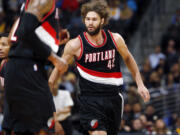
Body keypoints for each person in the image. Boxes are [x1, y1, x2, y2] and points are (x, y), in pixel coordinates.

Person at [49, 0, 150, 135]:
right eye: (87, 19)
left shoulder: (116, 39)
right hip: (90, 100)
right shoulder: (75, 45)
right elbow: (54, 74)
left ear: (102, 21)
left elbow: (128, 58)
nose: (90, 23)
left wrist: (140, 84)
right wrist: (50, 106)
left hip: (114, 98)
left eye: (94, 19)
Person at [4, 0, 68, 135]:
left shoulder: (32, 4)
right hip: (28, 69)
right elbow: (25, 31)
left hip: (19, 67)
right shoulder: (43, 0)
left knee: (21, 129)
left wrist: (53, 38)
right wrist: (55, 59)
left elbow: (14, 37)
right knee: (50, 129)